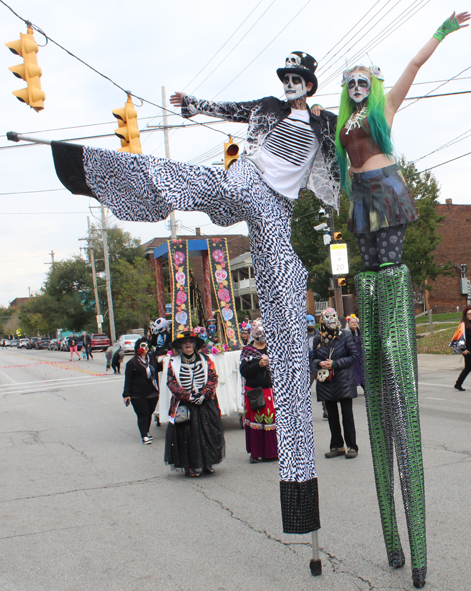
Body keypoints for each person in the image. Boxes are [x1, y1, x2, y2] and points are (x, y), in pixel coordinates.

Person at [49, 50, 340, 534]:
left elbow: (354, 139)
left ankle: (298, 486)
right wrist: (193, 104)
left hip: (275, 204)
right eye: (285, 77)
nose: (289, 84)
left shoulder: (325, 124)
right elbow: (233, 110)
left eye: (297, 78)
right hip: (245, 177)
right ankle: (97, 172)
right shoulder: (267, 106)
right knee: (199, 181)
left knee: (282, 286)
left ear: (309, 84)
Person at [315, 12, 470, 588]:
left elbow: (412, 65)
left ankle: (418, 549)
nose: (358, 87)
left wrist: (444, 30)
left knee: (388, 272)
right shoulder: (339, 126)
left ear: (371, 86)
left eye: (364, 80)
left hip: (387, 198)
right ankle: (394, 543)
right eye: (350, 81)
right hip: (366, 227)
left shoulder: (382, 111)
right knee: (374, 269)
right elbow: (292, 118)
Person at [164, 331, 224, 477]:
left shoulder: (206, 360)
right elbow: (171, 383)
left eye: (190, 342)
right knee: (187, 437)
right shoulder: (174, 362)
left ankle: (207, 462)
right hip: (185, 405)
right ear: (180, 346)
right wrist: (187, 396)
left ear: (196, 345)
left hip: (205, 403)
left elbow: (213, 378)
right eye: (184, 342)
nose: (188, 344)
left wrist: (204, 394)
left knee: (208, 433)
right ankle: (189, 466)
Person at [311, 308, 358, 459]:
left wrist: (336, 364)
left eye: (333, 316)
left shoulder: (345, 335)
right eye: (328, 317)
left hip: (343, 380)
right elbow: (312, 359)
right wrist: (320, 364)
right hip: (326, 381)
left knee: (347, 415)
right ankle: (337, 445)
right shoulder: (318, 338)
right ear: (322, 320)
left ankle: (352, 446)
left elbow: (353, 356)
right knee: (332, 416)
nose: (331, 319)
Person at [240, 320, 278, 464]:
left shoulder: (273, 349)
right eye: (258, 332)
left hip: (270, 390)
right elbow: (244, 371)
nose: (261, 335)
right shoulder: (247, 351)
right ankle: (255, 453)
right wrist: (259, 365)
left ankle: (271, 452)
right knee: (255, 421)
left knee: (270, 420)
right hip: (254, 391)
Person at [123, 338, 159, 444]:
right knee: (142, 414)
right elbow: (128, 379)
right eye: (143, 346)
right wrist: (126, 394)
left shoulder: (152, 358)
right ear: (138, 348)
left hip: (152, 392)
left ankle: (146, 431)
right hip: (137, 394)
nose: (146, 348)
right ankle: (144, 436)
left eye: (147, 345)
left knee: (149, 412)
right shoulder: (132, 363)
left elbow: (159, 368)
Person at [346, 314, 364, 391]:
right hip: (353, 356)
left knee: (362, 372)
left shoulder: (361, 333)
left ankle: (365, 389)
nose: (354, 324)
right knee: (354, 373)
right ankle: (352, 390)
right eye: (352, 322)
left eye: (355, 322)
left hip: (361, 355)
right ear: (349, 324)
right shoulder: (347, 334)